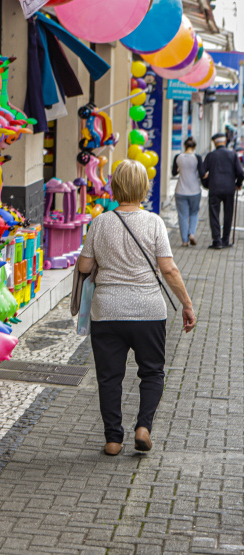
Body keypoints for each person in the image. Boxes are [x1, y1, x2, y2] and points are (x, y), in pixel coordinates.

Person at [77, 160, 196, 456]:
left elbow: (84, 265)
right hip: (148, 310)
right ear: (144, 188)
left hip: (107, 311)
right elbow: (168, 269)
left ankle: (113, 440)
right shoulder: (153, 222)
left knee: (109, 377)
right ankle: (143, 427)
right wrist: (187, 305)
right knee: (153, 372)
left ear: (115, 187)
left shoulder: (100, 222)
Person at [202, 132, 244, 249]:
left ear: (214, 143)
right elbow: (240, 173)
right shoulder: (233, 154)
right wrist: (238, 184)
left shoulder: (211, 155)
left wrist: (207, 184)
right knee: (228, 214)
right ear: (225, 142)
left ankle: (217, 241)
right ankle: (225, 240)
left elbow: (202, 172)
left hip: (214, 188)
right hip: (229, 189)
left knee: (214, 214)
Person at [171, 137, 205, 247]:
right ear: (194, 147)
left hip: (180, 190)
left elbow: (173, 173)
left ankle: (184, 241)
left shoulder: (178, 157)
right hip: (195, 190)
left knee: (182, 216)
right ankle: (191, 234)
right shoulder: (197, 157)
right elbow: (201, 173)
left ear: (184, 146)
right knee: (194, 213)